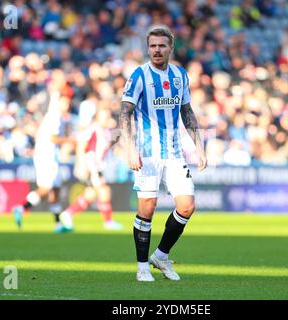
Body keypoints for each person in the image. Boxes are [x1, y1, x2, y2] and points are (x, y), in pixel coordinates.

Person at [120, 25, 207, 282]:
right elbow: (125, 112)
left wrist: (199, 146)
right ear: (148, 49)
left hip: (174, 153)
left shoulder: (180, 75)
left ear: (171, 48)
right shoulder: (138, 76)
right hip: (147, 154)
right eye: (152, 46)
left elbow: (187, 112)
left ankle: (160, 255)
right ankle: (142, 267)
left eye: (162, 46)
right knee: (148, 208)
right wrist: (129, 148)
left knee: (187, 206)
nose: (157, 50)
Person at [12, 69, 75, 232]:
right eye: (65, 101)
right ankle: (21, 207)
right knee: (47, 188)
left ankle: (58, 224)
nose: (68, 104)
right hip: (46, 154)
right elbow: (53, 138)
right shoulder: (55, 116)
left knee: (56, 188)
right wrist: (71, 140)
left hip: (48, 154)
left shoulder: (57, 116)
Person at [58, 108, 123, 232]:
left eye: (107, 116)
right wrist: (81, 164)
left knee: (91, 193)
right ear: (97, 117)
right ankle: (108, 221)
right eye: (104, 116)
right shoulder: (93, 128)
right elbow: (82, 145)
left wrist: (118, 131)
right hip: (90, 164)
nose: (107, 119)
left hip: (97, 165)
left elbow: (110, 144)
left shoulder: (105, 131)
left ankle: (68, 214)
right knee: (104, 190)